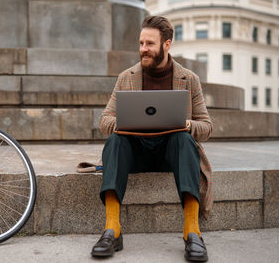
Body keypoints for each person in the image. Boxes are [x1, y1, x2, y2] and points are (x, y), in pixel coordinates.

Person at [91, 16, 213, 262]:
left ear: (167, 45)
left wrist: (187, 125)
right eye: (141, 43)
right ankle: (112, 230)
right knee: (114, 142)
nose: (143, 49)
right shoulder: (127, 77)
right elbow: (104, 121)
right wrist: (126, 121)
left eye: (149, 44)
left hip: (172, 153)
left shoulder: (189, 79)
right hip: (135, 152)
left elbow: (207, 126)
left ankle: (193, 232)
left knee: (185, 140)